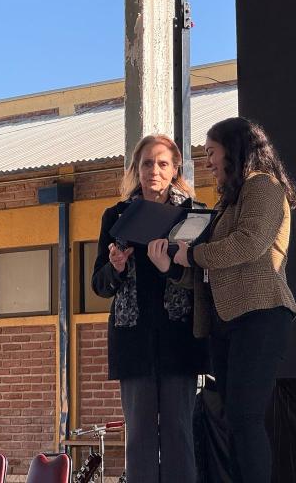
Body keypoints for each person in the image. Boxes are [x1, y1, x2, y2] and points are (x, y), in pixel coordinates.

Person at [171, 117, 296, 483]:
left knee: (244, 418)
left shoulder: (264, 185)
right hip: (227, 321)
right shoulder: (228, 200)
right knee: (234, 419)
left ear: (233, 148)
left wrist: (193, 255)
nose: (208, 161)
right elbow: (211, 262)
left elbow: (248, 244)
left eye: (211, 152)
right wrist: (174, 263)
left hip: (260, 316)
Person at [91, 134, 209, 483]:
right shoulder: (116, 216)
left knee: (179, 434)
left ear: (175, 170)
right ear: (135, 169)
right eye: (146, 163)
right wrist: (115, 267)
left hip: (180, 339)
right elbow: (98, 285)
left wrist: (170, 267)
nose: (153, 171)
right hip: (134, 342)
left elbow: (204, 276)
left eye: (161, 164)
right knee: (139, 437)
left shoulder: (193, 215)